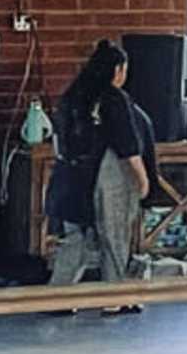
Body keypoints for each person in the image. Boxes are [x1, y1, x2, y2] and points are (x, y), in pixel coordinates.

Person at [47, 39, 156, 293]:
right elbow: (127, 145)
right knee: (114, 238)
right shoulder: (114, 98)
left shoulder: (73, 95)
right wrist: (143, 180)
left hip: (71, 179)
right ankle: (113, 297)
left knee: (75, 240)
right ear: (117, 70)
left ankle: (58, 296)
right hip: (107, 178)